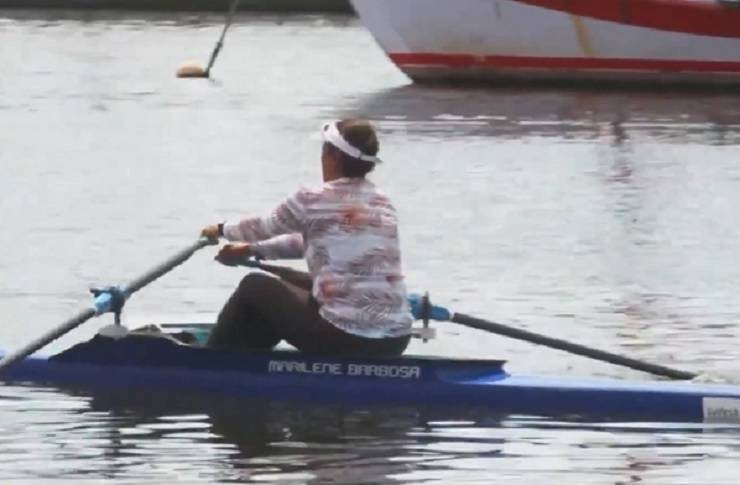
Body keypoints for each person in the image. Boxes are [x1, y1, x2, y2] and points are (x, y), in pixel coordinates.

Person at [201, 119, 413, 356]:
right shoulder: (382, 202)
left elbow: (262, 226)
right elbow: (313, 242)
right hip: (396, 340)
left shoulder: (311, 199)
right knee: (292, 291)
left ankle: (210, 362)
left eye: (323, 151)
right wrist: (254, 250)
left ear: (332, 156)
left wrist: (219, 229)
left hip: (344, 339)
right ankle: (253, 362)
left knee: (254, 286)